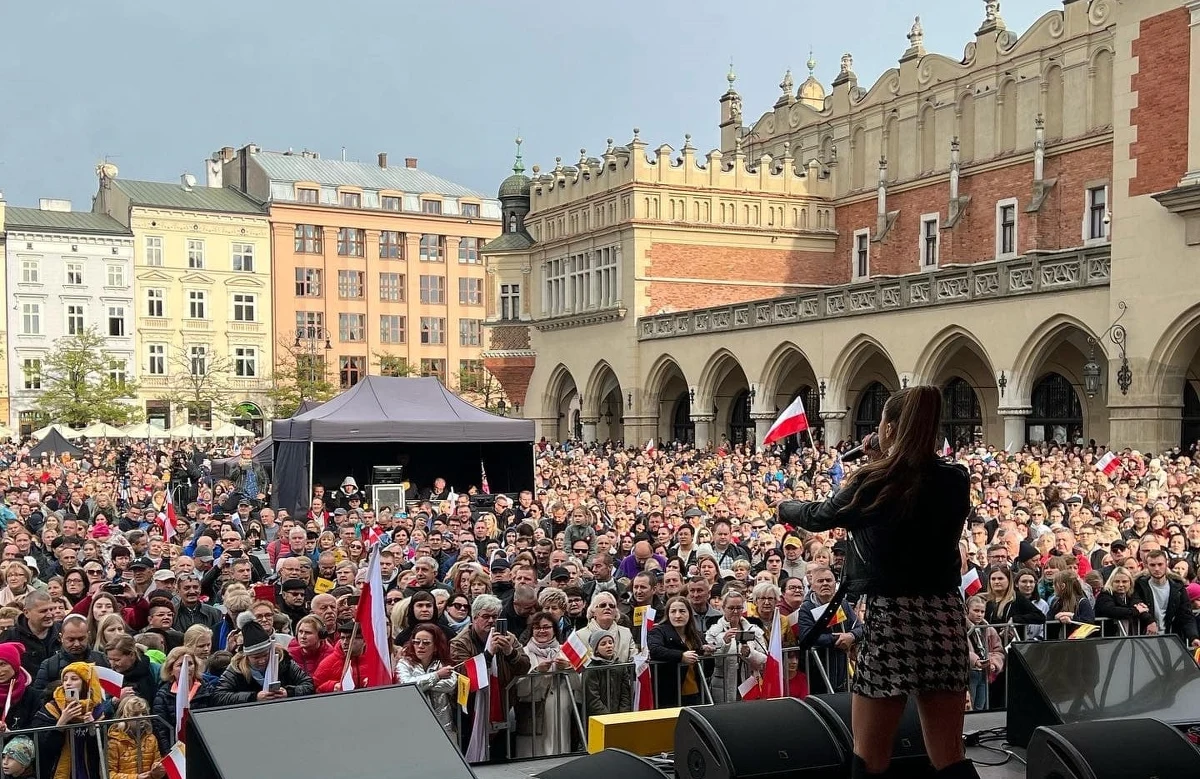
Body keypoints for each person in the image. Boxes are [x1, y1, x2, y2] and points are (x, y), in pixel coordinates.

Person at [778, 386, 978, 779]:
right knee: (949, 754)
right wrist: (884, 458)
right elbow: (914, 480)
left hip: (893, 619)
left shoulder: (874, 481)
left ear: (888, 426)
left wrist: (784, 506)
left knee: (870, 755)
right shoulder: (955, 479)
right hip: (944, 617)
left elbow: (820, 515)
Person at [31, 661, 107, 779]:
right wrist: (61, 722)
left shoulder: (97, 710)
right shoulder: (52, 708)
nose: (68, 683)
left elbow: (101, 749)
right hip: (58, 771)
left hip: (88, 770)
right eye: (65, 679)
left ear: (86, 683)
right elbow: (43, 746)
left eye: (74, 679)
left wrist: (93, 727)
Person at [211, 621, 315, 705]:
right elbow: (219, 696)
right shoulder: (236, 668)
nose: (262, 660)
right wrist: (254, 697)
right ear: (246, 656)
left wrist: (288, 693)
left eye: (265, 655)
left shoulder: (283, 661)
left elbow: (308, 685)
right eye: (256, 657)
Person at [395, 623, 457, 737]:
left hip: (442, 724)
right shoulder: (404, 663)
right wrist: (437, 676)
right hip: (412, 724)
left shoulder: (442, 663)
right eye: (416, 642)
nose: (420, 646)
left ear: (436, 646)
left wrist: (419, 683)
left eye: (426, 643)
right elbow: (406, 686)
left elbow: (450, 684)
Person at [647, 596, 708, 708]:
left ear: (689, 613)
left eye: (682, 611)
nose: (678, 615)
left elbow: (707, 668)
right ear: (667, 614)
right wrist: (680, 656)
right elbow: (655, 649)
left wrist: (706, 653)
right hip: (669, 693)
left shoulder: (697, 635)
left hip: (695, 693)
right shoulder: (659, 631)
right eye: (673, 611)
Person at [105, 694, 164, 779]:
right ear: (123, 717)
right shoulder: (114, 742)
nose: (141, 717)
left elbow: (158, 774)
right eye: (135, 714)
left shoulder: (151, 738)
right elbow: (109, 774)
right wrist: (135, 777)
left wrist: (158, 770)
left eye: (144, 713)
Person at [0, 642, 36, 732]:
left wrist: (11, 733)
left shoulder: (32, 696)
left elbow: (37, 730)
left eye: (2, 664)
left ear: (15, 664)